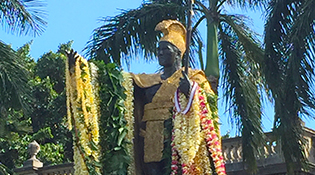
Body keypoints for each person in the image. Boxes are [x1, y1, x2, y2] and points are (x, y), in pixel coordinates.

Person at [131, 19, 222, 175]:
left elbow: (209, 105)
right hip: (150, 138)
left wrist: (191, 91)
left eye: (165, 49)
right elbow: (120, 83)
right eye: (158, 49)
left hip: (177, 138)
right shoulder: (146, 80)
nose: (160, 53)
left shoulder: (194, 77)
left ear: (178, 52)